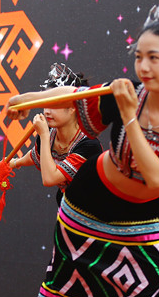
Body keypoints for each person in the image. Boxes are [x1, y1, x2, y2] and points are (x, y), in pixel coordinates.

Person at [6, 0, 159, 297]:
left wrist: (130, 115)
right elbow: (75, 95)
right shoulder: (124, 94)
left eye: (154, 58)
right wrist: (25, 98)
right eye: (138, 56)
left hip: (145, 225)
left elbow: (157, 178)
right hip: (87, 206)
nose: (143, 66)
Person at [9, 63, 102, 206]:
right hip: (67, 207)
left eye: (54, 105)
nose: (46, 111)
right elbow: (36, 154)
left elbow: (49, 179)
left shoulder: (89, 145)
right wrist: (14, 163)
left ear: (72, 107)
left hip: (95, 213)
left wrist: (44, 135)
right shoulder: (49, 135)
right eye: (45, 104)